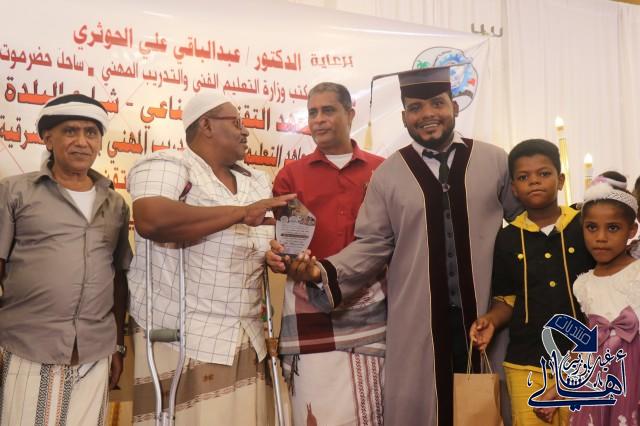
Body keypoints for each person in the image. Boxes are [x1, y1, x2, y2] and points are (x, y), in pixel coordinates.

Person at [277, 66, 522, 425]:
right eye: (416, 107)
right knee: (423, 407)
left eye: (437, 103)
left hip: (485, 316)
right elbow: (372, 244)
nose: (427, 114)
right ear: (405, 116)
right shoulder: (388, 174)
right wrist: (323, 271)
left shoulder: (495, 161)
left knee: (489, 407)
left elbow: (524, 227)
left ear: (454, 106)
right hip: (418, 320)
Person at [126, 93, 294, 425]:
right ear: (206, 125)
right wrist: (240, 213)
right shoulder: (167, 164)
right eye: (236, 123)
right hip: (183, 334)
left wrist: (272, 257)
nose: (246, 131)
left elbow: (254, 244)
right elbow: (151, 220)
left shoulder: (256, 181)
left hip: (246, 334)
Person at [0, 94, 132, 425]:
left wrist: (118, 345)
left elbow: (118, 279)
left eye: (91, 132)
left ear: (100, 142)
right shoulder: (15, 192)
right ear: (48, 138)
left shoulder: (115, 204)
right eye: (70, 131)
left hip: (95, 354)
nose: (82, 141)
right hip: (28, 349)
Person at [267, 82, 386, 425]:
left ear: (350, 114)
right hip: (310, 309)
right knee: (314, 408)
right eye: (313, 112)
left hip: (372, 308)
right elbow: (286, 243)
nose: (319, 119)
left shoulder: (383, 169)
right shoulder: (291, 175)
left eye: (328, 110)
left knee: (370, 411)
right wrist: (284, 260)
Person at [469, 139, 595, 425]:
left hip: (584, 359)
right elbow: (507, 300)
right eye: (524, 177)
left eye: (544, 173)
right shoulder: (508, 238)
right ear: (514, 188)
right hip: (526, 362)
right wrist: (490, 320)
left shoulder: (584, 226)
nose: (534, 181)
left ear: (560, 180)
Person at [568, 182, 640, 425]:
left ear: (632, 230)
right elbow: (588, 343)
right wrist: (558, 387)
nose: (600, 237)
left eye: (613, 228)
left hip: (634, 377)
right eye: (591, 227)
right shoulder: (584, 284)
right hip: (596, 383)